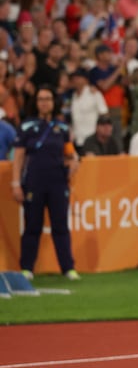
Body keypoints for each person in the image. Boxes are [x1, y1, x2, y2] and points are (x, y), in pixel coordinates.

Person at [10, 86, 80, 280]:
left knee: (60, 226)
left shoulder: (63, 128)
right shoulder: (26, 127)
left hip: (58, 182)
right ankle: (27, 268)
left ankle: (68, 268)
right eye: (41, 99)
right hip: (34, 182)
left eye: (48, 99)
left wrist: (74, 161)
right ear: (36, 102)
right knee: (32, 226)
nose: (44, 102)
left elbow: (70, 153)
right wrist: (15, 184)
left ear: (53, 102)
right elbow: (19, 157)